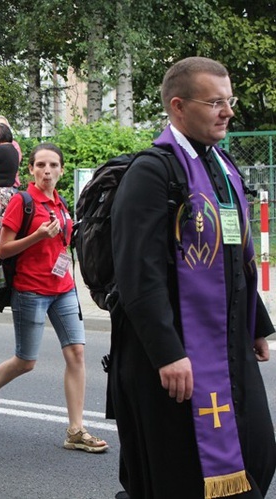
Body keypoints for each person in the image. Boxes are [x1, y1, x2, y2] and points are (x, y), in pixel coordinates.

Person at [110, 56, 276, 498]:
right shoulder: (152, 171)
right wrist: (168, 353)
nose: (228, 111)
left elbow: (234, 257)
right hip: (173, 355)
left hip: (228, 346)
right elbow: (137, 275)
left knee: (258, 451)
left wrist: (256, 324)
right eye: (215, 102)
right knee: (178, 475)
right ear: (179, 106)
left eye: (230, 100)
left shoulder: (222, 168)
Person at [0, 142, 108, 454]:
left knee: (76, 355)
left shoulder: (60, 203)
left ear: (60, 169)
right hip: (31, 290)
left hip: (64, 289)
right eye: (41, 165)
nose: (47, 171)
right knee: (26, 361)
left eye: (53, 166)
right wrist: (38, 236)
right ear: (30, 169)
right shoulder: (23, 202)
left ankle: (75, 430)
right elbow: (2, 250)